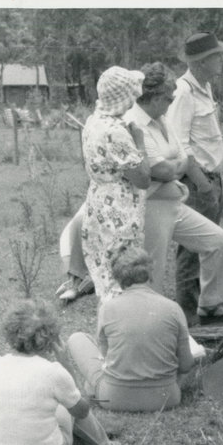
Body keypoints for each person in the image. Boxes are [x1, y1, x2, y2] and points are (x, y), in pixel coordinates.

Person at [124, 62, 223, 322]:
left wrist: (175, 167)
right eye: (168, 98)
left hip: (173, 202)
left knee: (217, 240)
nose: (171, 102)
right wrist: (175, 167)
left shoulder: (161, 118)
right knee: (153, 268)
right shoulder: (135, 123)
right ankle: (150, 324)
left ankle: (211, 304)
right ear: (154, 97)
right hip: (151, 205)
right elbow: (162, 169)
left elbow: (182, 159)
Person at [0, 300, 121, 445]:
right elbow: (82, 411)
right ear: (51, 338)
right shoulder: (53, 372)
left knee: (40, 407)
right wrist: (65, 363)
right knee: (68, 404)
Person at [65, 249, 202, 413]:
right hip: (168, 398)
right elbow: (186, 365)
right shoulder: (173, 308)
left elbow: (106, 358)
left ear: (117, 278)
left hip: (113, 399)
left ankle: (93, 388)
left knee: (77, 339)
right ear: (150, 273)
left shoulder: (108, 308)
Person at [167, 32, 223, 319]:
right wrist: (202, 184)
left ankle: (210, 305)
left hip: (211, 178)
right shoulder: (183, 92)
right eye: (216, 55)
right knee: (190, 251)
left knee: (211, 246)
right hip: (197, 181)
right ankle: (188, 317)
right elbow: (179, 145)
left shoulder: (204, 87)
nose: (221, 59)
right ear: (202, 62)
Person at [79, 66, 153, 302]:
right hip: (119, 212)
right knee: (122, 279)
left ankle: (107, 332)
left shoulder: (93, 121)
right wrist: (140, 142)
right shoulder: (115, 131)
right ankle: (119, 331)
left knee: (106, 279)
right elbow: (142, 178)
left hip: (97, 206)